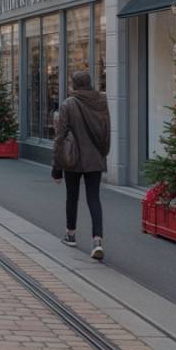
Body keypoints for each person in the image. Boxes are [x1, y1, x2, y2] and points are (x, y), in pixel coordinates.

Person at [52, 70, 111, 261]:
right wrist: (103, 153)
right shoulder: (102, 101)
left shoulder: (68, 104)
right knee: (94, 199)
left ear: (74, 84)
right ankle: (97, 240)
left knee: (72, 197)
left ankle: (70, 234)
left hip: (73, 159)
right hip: (95, 157)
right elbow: (106, 131)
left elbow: (59, 137)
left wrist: (57, 166)